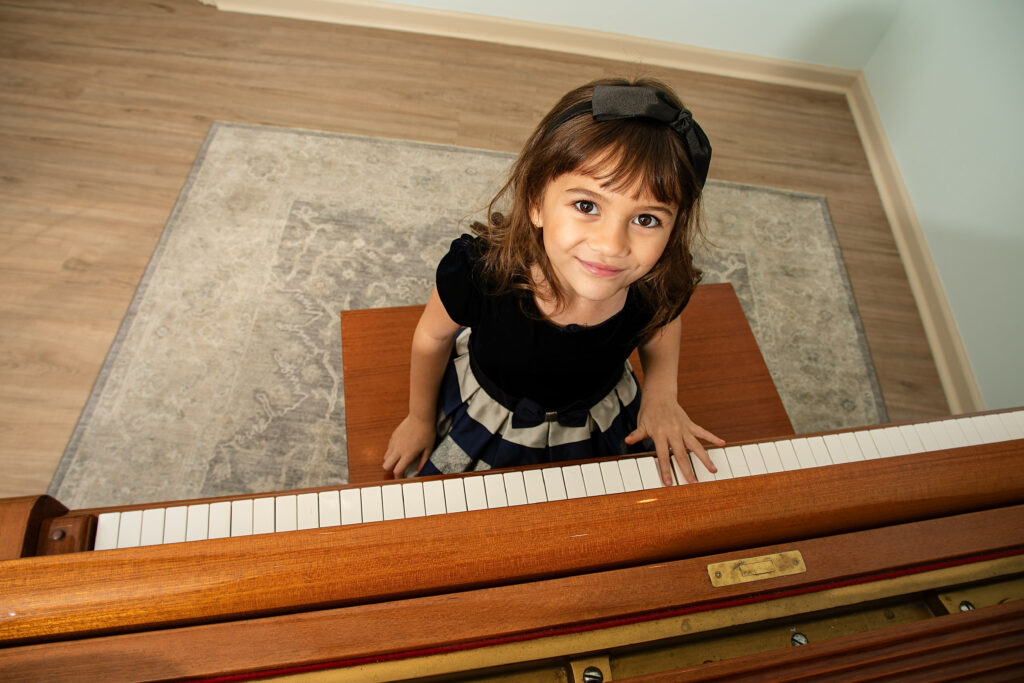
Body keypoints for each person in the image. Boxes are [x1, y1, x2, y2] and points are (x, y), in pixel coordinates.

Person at [382, 77, 724, 487]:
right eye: (586, 205)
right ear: (535, 203)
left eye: (646, 219)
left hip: (598, 416)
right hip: (490, 411)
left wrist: (661, 395)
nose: (611, 245)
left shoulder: (653, 283)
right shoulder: (481, 271)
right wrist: (419, 419)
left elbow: (662, 324)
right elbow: (431, 339)